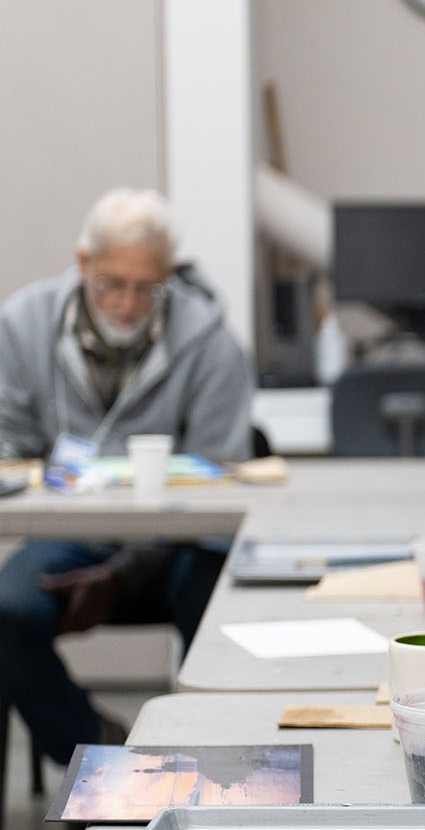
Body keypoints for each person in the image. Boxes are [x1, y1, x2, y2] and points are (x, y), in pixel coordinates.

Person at [0, 188, 252, 761]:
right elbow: (8, 446)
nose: (127, 304)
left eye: (146, 288)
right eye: (112, 283)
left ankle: (213, 766)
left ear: (168, 275)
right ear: (84, 262)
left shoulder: (211, 344)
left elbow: (222, 482)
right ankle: (95, 754)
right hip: (69, 538)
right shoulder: (24, 323)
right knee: (7, 609)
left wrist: (124, 573)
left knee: (216, 606)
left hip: (177, 548)